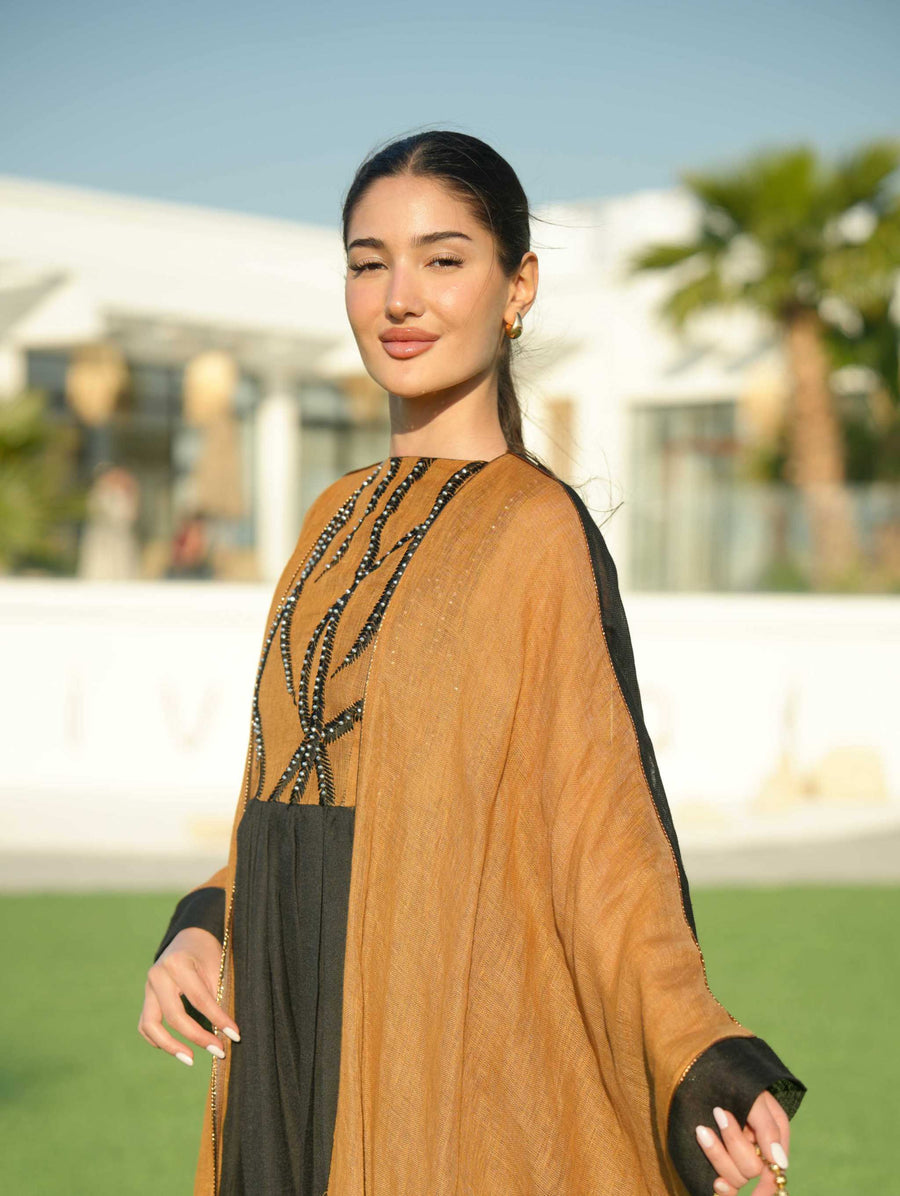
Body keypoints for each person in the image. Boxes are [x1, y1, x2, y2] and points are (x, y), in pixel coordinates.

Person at [138, 130, 807, 1196]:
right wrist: (205, 922)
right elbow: (299, 792)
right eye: (368, 262)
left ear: (517, 284)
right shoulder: (329, 519)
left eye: (443, 258)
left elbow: (603, 834)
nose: (400, 296)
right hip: (281, 1051)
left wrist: (700, 1055)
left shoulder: (536, 533)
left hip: (419, 1052)